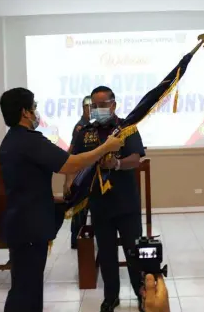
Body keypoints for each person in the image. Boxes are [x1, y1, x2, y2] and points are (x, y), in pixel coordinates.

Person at [0, 87, 123, 312]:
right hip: (29, 227)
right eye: (34, 107)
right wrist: (105, 147)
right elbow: (70, 163)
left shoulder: (12, 140)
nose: (37, 112)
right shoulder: (28, 141)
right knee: (26, 289)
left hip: (22, 222)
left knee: (28, 285)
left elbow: (26, 182)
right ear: (25, 112)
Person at [70, 86, 145, 312]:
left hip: (126, 203)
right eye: (94, 105)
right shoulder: (85, 131)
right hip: (99, 203)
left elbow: (136, 158)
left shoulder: (127, 129)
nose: (98, 109)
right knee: (106, 253)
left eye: (103, 104)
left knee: (134, 252)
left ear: (113, 104)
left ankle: (140, 292)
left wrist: (117, 164)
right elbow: (75, 160)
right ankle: (111, 296)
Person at [67, 95, 92, 249]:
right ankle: (76, 240)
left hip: (96, 175)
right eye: (88, 106)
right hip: (81, 175)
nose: (90, 109)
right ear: (83, 108)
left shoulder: (97, 125)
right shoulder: (80, 127)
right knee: (80, 211)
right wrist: (68, 180)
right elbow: (72, 152)